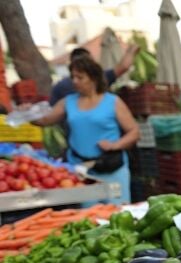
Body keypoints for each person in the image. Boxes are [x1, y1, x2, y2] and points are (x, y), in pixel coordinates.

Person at [33, 56, 139, 203]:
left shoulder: (112, 102)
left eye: (80, 77)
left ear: (93, 78)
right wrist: (24, 114)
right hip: (81, 171)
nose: (74, 81)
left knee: (118, 213)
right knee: (87, 217)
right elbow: (45, 120)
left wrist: (115, 145)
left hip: (112, 168)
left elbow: (134, 132)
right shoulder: (68, 102)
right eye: (73, 77)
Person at [50, 44, 140, 105]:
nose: (76, 82)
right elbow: (123, 67)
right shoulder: (68, 100)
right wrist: (131, 51)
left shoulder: (60, 87)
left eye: (80, 78)